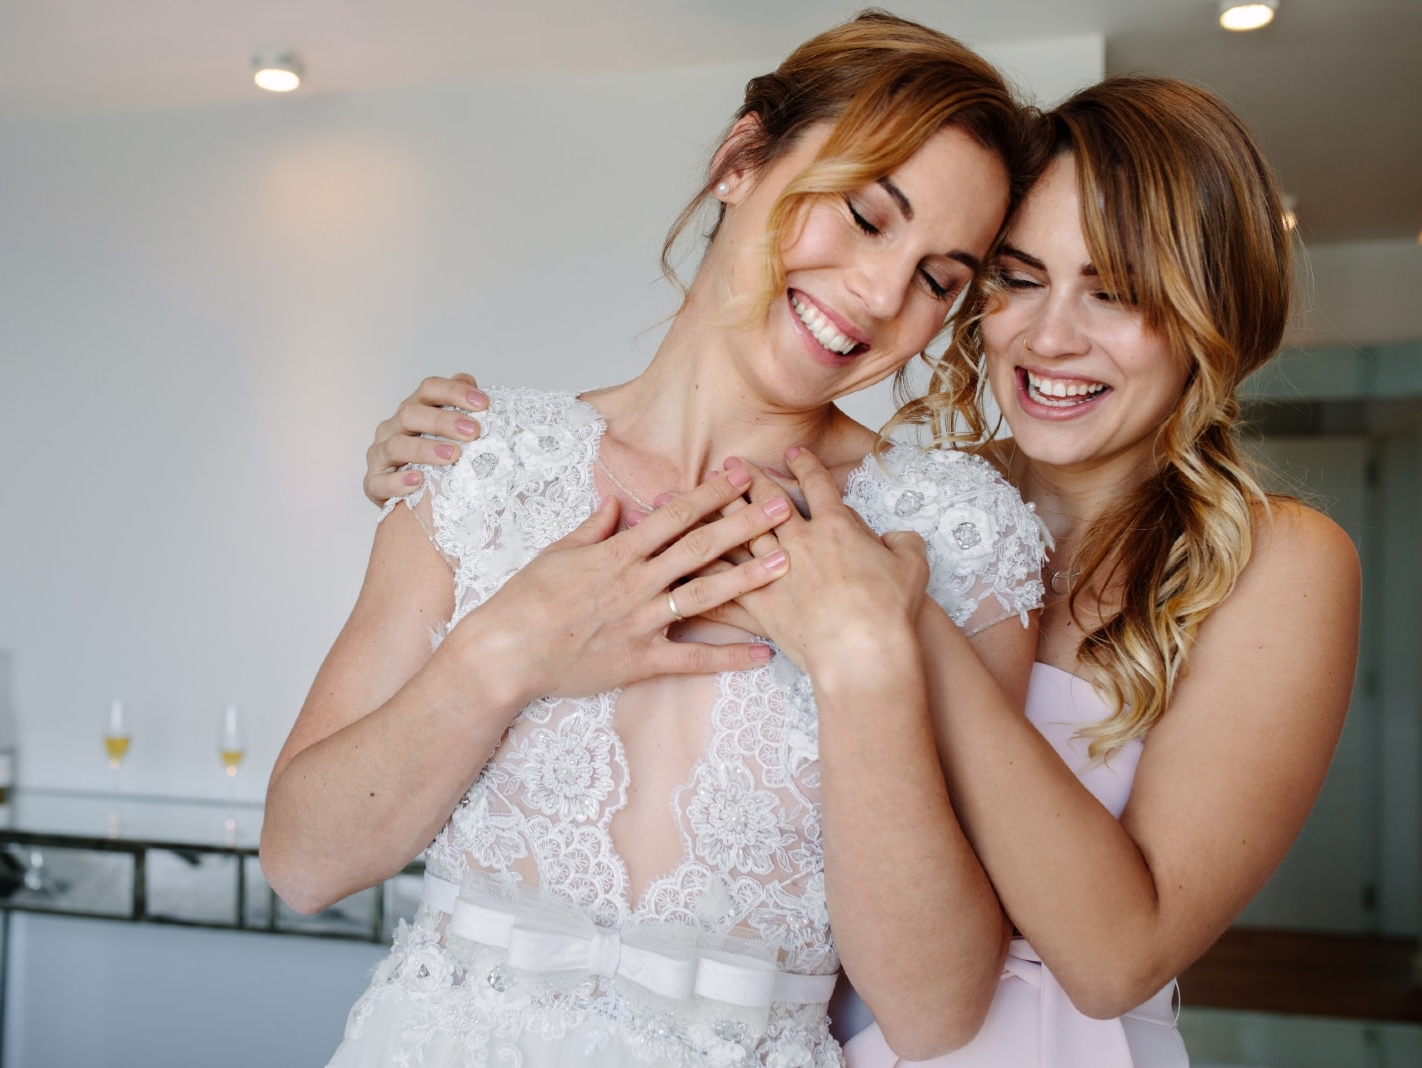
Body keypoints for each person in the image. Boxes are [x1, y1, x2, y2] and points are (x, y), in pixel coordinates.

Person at [359, 75, 1362, 1067]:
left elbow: (1114, 959)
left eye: (1116, 293)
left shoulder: (1279, 562)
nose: (1050, 337)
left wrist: (892, 627)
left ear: (1209, 316)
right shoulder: (917, 507)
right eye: (1015, 277)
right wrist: (470, 462)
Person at [262, 10, 1052, 1067]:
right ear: (739, 159)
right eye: (865, 216)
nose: (879, 295)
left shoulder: (951, 535)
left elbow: (935, 1012)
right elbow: (303, 862)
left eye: (937, 279)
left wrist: (865, 667)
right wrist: (507, 651)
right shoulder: (482, 463)